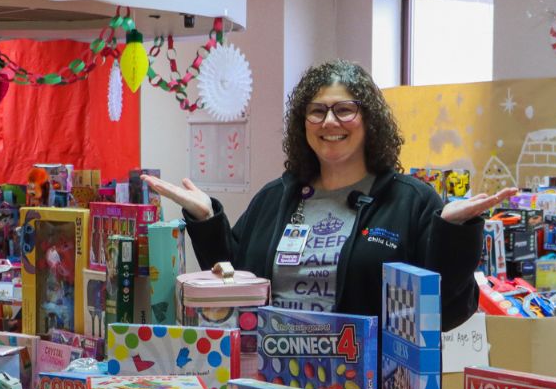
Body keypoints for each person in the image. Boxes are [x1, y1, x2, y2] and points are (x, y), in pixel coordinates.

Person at [146, 59, 510, 331]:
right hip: (274, 385)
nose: (329, 122)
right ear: (302, 124)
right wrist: (207, 220)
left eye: (344, 110)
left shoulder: (411, 202)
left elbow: (448, 312)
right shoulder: (276, 197)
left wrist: (456, 232)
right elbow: (235, 286)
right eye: (317, 111)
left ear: (370, 121)